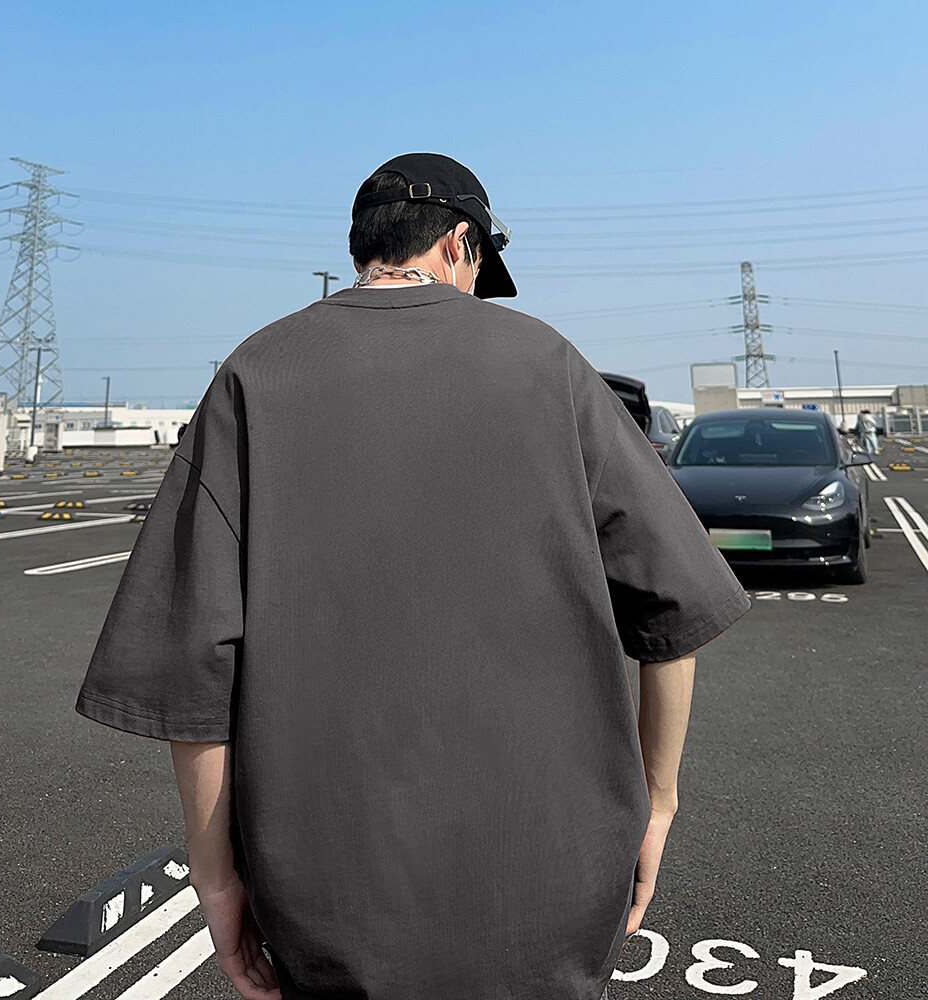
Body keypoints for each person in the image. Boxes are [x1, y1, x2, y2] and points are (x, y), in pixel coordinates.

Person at [75, 153, 751, 1000]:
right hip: (552, 866)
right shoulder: (547, 363)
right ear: (460, 243)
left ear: (364, 246)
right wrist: (657, 802)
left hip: (328, 886)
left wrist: (217, 880)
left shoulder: (256, 373)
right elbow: (675, 603)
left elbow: (192, 668)